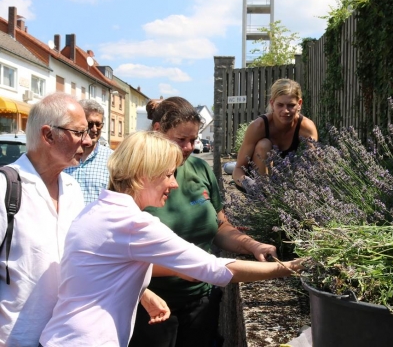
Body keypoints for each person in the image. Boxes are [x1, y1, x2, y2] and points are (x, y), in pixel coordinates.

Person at [39, 131, 303, 347]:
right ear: (145, 175)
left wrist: (143, 293)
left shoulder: (98, 209)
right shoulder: (133, 223)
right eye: (168, 174)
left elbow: (99, 273)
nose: (174, 183)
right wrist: (288, 269)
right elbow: (212, 268)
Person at [129, 97, 278, 347]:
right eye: (181, 139)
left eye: (193, 140)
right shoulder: (135, 178)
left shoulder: (199, 169)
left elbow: (219, 226)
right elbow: (122, 255)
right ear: (157, 131)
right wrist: (184, 268)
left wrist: (252, 246)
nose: (189, 147)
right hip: (150, 307)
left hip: (201, 303)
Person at [0, 92, 92, 346]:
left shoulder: (72, 189)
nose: (87, 142)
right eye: (79, 132)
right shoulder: (4, 188)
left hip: (64, 337)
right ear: (48, 135)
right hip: (14, 339)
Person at [232, 78, 318, 193]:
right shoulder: (258, 127)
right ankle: (265, 193)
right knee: (264, 144)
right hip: (255, 181)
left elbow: (315, 164)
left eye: (291, 105)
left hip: (284, 179)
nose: (285, 110)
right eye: (280, 105)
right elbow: (238, 169)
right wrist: (246, 182)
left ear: (299, 104)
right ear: (272, 104)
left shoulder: (306, 127)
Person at [64, 99, 113, 203]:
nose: (95, 129)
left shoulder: (112, 160)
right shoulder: (63, 156)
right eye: (90, 124)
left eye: (98, 124)